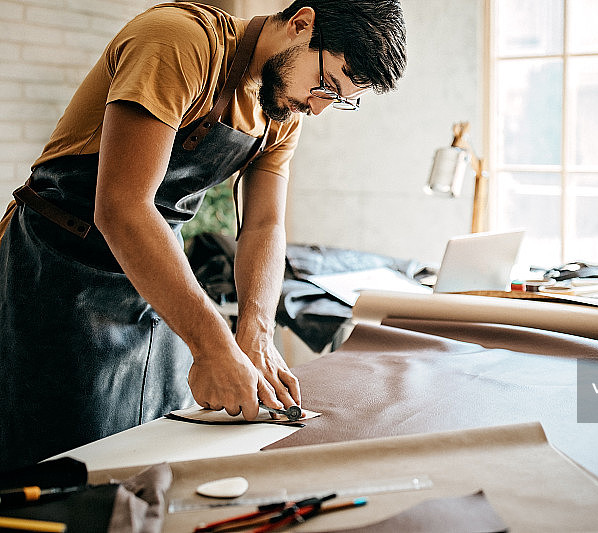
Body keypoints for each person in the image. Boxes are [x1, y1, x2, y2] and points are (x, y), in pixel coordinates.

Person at [0, 0, 406, 471]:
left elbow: (264, 224)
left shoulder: (280, 110)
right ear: (301, 24)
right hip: (59, 272)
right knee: (58, 468)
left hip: (157, 279)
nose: (317, 107)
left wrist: (256, 332)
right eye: (325, 85)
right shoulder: (180, 42)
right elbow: (123, 206)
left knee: (154, 453)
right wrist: (214, 343)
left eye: (337, 99)